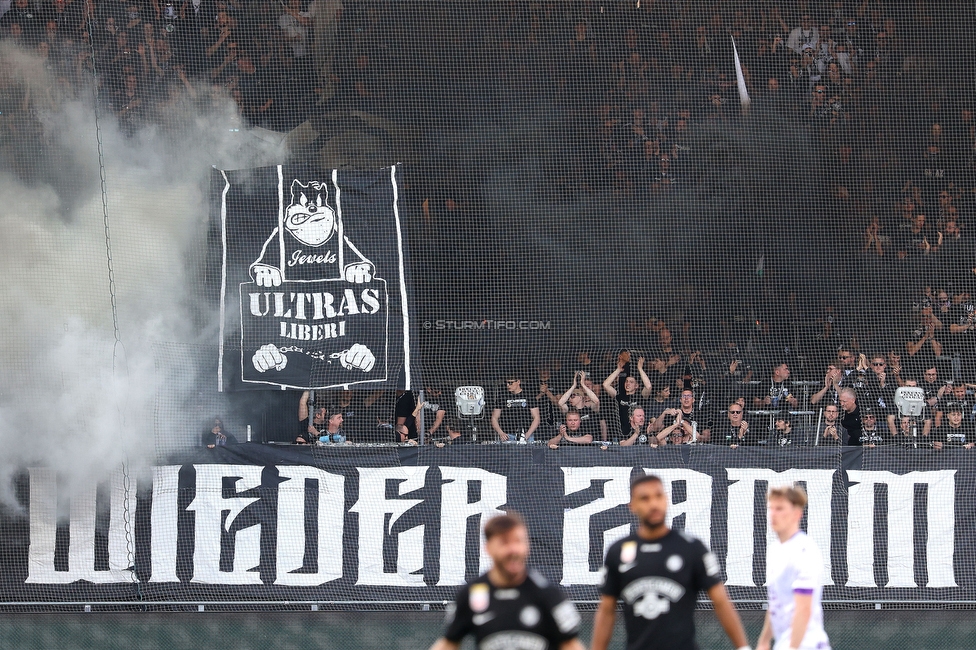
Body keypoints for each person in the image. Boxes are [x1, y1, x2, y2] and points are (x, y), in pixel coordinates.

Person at [591, 475, 750, 650]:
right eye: (645, 498)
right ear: (632, 506)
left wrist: (743, 647)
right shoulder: (618, 551)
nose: (653, 504)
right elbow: (606, 610)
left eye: (658, 496)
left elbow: (721, 601)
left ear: (667, 500)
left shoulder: (692, 548)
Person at [429, 513, 584, 650]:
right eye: (505, 543)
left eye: (518, 541)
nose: (514, 550)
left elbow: (570, 645)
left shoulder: (548, 595)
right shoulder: (472, 594)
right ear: (488, 547)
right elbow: (449, 643)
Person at [756, 484, 831, 650]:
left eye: (780, 509)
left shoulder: (805, 551)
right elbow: (776, 602)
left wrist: (792, 648)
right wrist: (764, 641)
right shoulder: (775, 550)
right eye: (771, 508)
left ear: (797, 514)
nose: (773, 514)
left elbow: (803, 609)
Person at [603, 353, 653, 440]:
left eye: (631, 382)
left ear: (636, 386)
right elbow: (605, 385)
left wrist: (640, 369)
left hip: (640, 431)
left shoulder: (640, 397)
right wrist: (618, 370)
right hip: (622, 433)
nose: (628, 384)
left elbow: (648, 387)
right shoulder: (620, 396)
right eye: (626, 381)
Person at [491, 373, 542, 442]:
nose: (507, 385)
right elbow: (494, 417)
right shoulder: (502, 396)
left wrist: (527, 435)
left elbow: (536, 418)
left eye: (510, 383)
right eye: (506, 383)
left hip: (527, 434)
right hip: (508, 435)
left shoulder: (529, 395)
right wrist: (501, 433)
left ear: (518, 382)